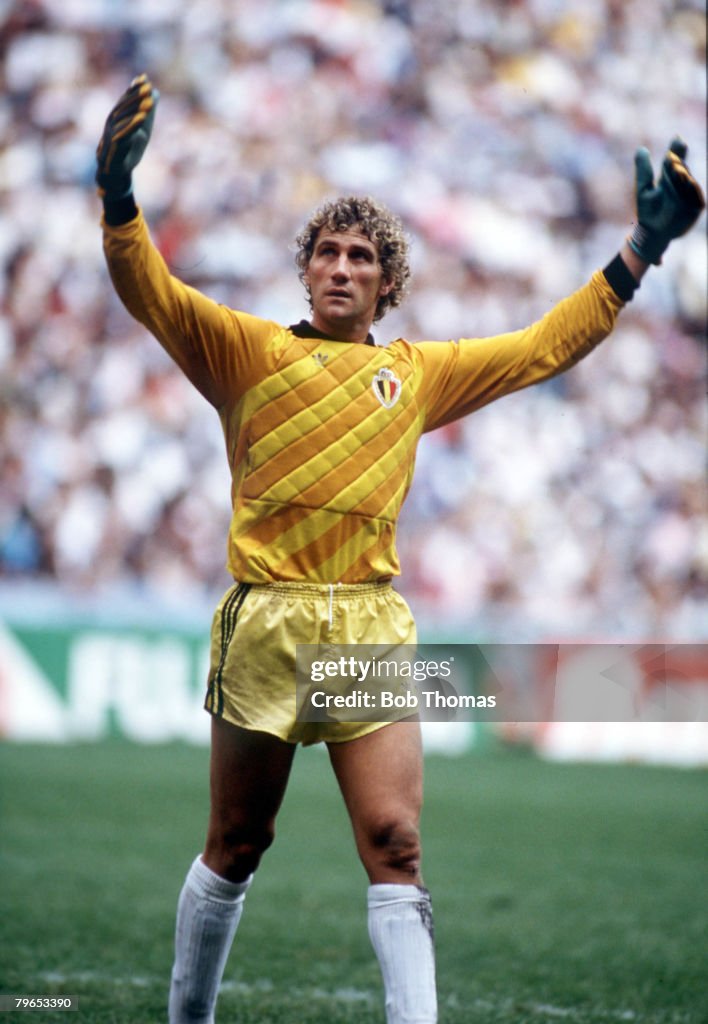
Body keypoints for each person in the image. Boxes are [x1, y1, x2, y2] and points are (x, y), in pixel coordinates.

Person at [95, 75, 704, 1024]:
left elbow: (545, 346)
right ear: (306, 272)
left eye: (364, 257)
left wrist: (643, 251)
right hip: (267, 621)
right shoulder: (246, 352)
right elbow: (152, 293)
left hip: (370, 630)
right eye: (329, 253)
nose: (343, 267)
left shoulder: (415, 376)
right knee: (237, 839)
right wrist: (120, 200)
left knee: (396, 842)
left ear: (388, 281)